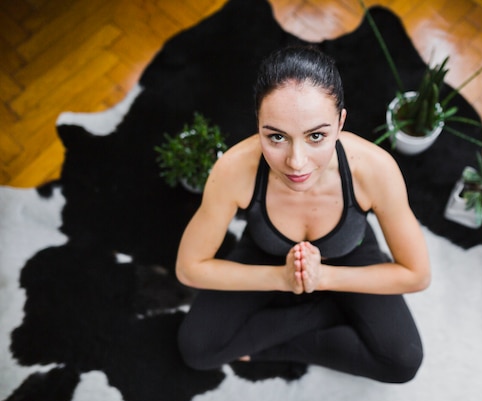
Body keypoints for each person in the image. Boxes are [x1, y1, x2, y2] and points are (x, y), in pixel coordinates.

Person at [175, 45, 431, 383]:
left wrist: (323, 278)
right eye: (277, 137)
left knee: (403, 362)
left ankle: (279, 339)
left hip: (349, 253)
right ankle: (326, 310)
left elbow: (417, 274)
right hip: (265, 257)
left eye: (316, 136)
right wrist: (281, 279)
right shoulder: (234, 170)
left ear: (340, 123)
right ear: (259, 124)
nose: (296, 162)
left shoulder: (375, 169)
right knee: (197, 349)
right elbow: (189, 268)